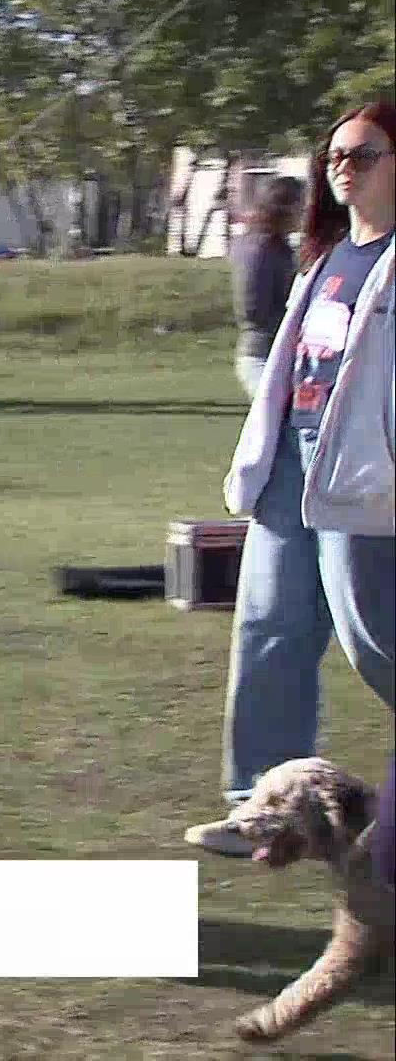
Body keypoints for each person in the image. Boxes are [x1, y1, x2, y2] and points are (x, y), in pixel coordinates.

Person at [187, 100, 395, 857]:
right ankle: (260, 811)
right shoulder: (326, 258)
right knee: (268, 628)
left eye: (364, 153)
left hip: (364, 476)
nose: (343, 165)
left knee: (373, 642)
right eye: (336, 154)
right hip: (291, 468)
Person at [231, 175, 306, 400]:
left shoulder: (280, 247)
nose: (304, 212)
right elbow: (252, 310)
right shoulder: (259, 248)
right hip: (262, 356)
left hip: (282, 355)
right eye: (300, 206)